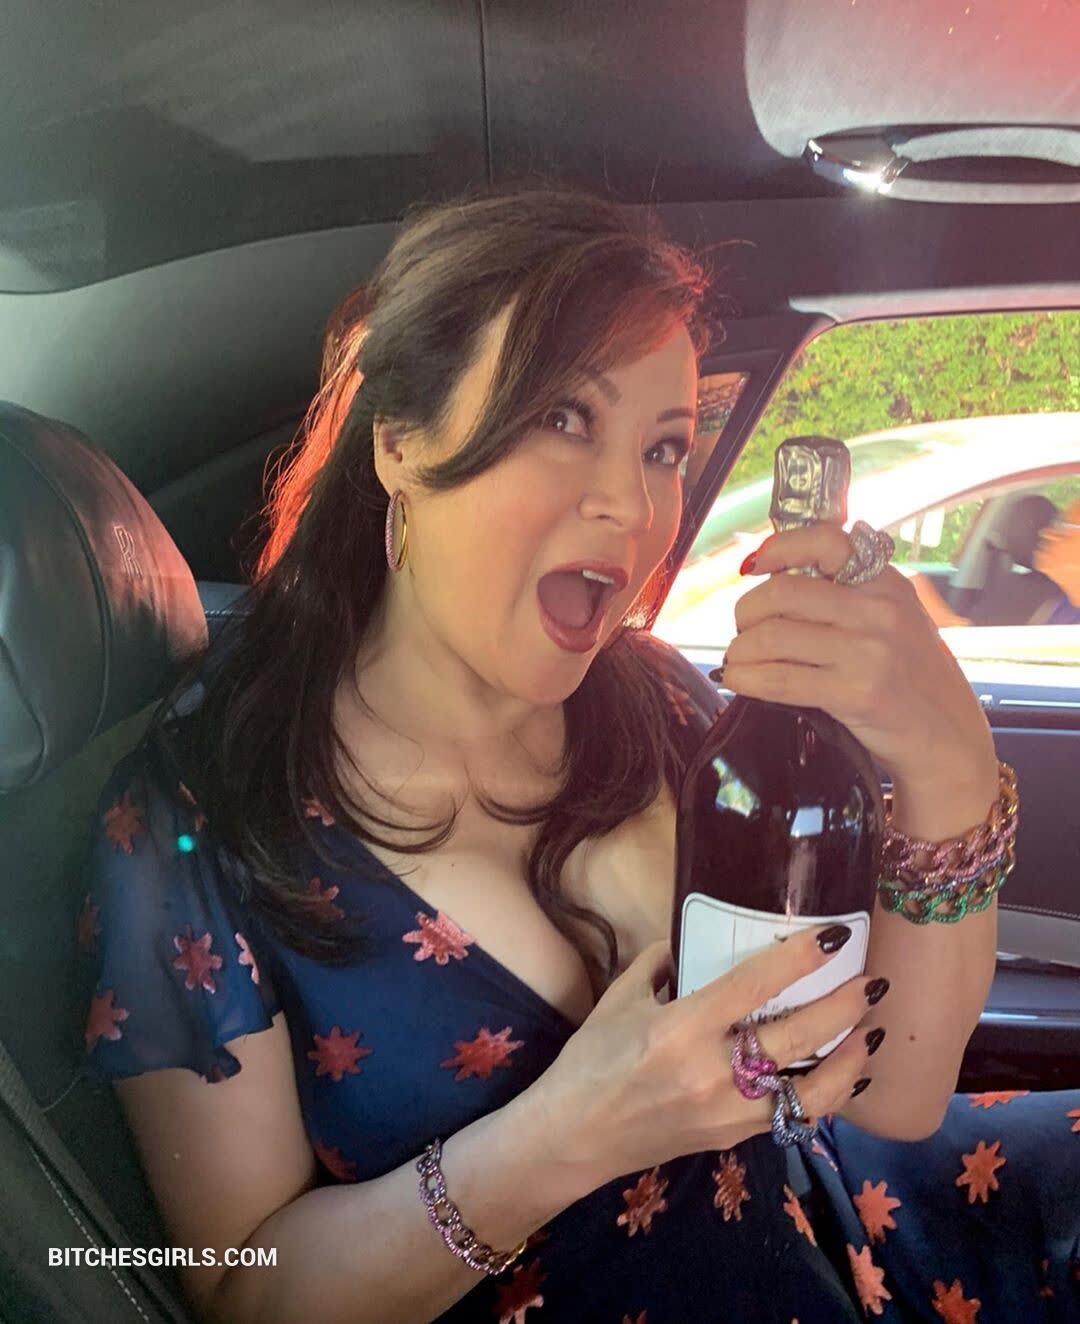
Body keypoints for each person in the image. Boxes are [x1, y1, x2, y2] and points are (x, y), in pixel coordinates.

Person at [80, 184, 1080, 1324]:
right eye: (562, 417)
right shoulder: (198, 820)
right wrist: (567, 1137)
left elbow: (890, 1095)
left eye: (664, 447)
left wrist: (949, 769)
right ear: (399, 444)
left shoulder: (665, 708)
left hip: (832, 1239)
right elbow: (243, 1293)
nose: (633, 505)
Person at [910, 497, 1080, 629]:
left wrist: (945, 621)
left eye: (1067, 527)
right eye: (1058, 524)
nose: (1047, 533)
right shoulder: (1062, 605)